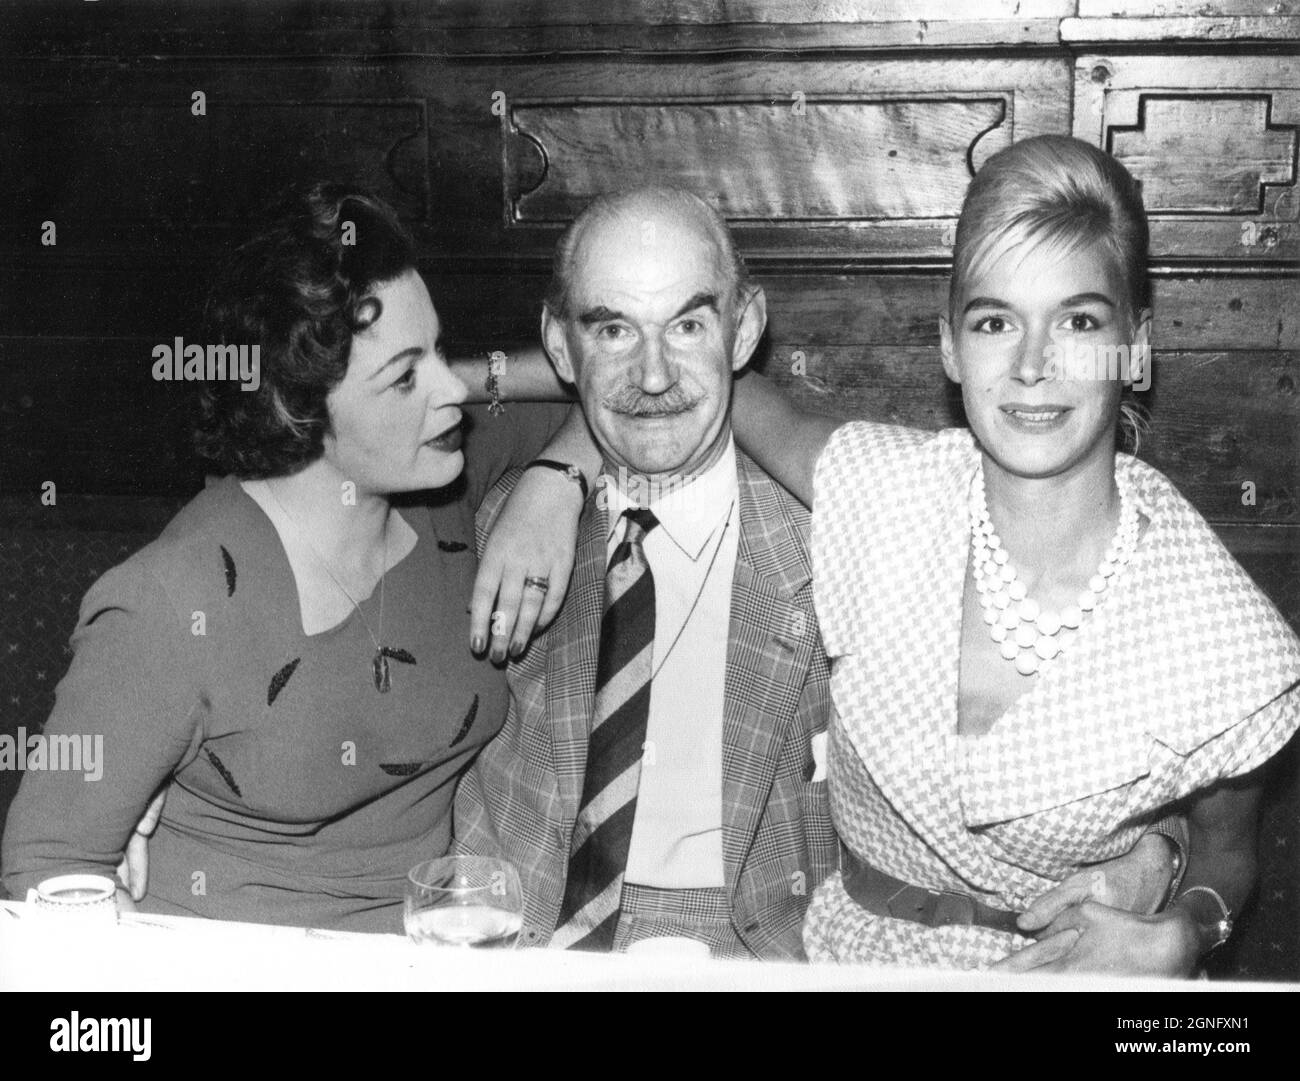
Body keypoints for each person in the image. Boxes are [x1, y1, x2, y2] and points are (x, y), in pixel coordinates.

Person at [452, 185, 1178, 961]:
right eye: (614, 329)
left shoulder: (851, 536)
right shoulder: (498, 515)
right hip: (512, 941)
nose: (654, 374)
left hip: (759, 950)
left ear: (745, 330)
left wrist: (1157, 852)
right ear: (562, 348)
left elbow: (1082, 701)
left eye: (689, 324)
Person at [730, 135, 1300, 973]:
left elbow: (1228, 859)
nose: (1032, 366)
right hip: (850, 961)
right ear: (952, 348)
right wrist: (550, 461)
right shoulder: (885, 491)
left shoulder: (1217, 630)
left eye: (1077, 321)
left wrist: (1184, 933)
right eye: (996, 321)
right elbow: (690, 379)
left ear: (1135, 347)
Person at [0, 183, 594, 932]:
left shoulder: (442, 474)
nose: (454, 390)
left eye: (440, 352)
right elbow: (42, 872)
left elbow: (608, 390)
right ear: (296, 407)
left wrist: (555, 483)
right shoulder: (171, 601)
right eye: (406, 376)